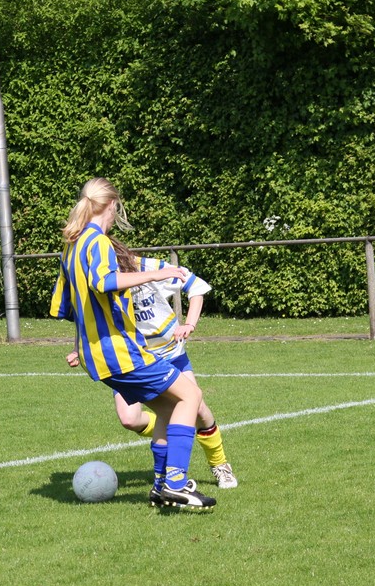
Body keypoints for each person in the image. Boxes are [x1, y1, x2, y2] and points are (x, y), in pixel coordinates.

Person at [50, 178, 216, 512]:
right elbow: (104, 282)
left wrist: (82, 346)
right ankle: (176, 484)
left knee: (168, 409)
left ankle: (160, 487)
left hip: (99, 356)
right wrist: (155, 274)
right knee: (191, 396)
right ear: (112, 205)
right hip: (121, 352)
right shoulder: (98, 241)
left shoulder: (71, 246)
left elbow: (66, 307)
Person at [65, 248, 237, 490]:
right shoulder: (99, 278)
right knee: (130, 419)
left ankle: (219, 464)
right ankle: (177, 432)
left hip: (170, 353)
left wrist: (189, 324)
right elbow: (86, 317)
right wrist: (79, 348)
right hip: (132, 358)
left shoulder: (147, 267)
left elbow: (196, 287)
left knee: (197, 408)